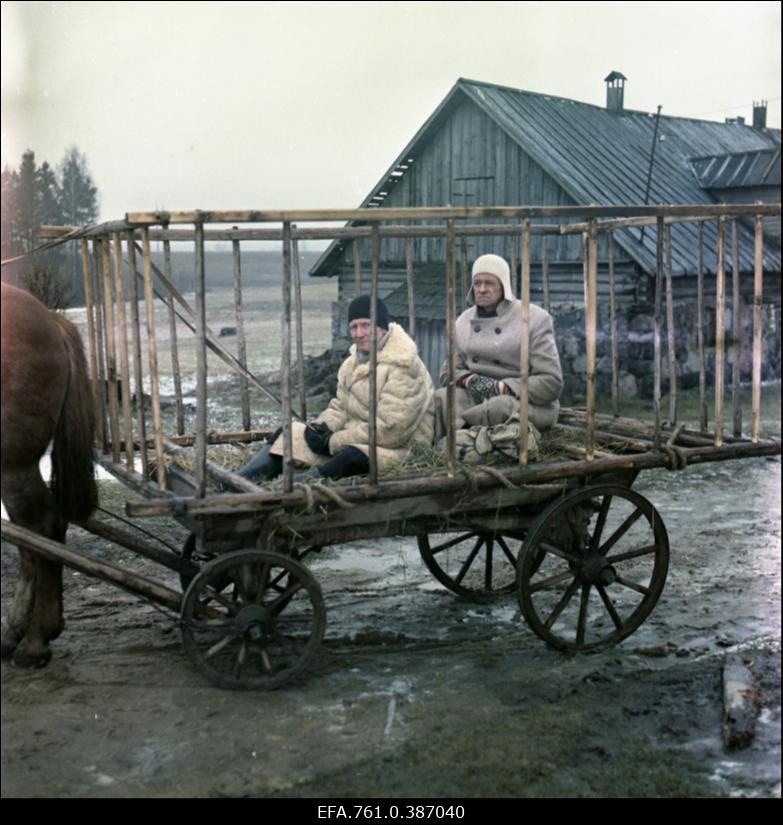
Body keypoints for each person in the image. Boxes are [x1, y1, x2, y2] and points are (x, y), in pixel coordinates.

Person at [237, 295, 435, 484]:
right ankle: (241, 481)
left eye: (366, 325)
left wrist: (333, 441)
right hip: (355, 438)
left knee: (352, 458)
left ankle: (295, 489)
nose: (359, 334)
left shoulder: (405, 366)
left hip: (401, 448)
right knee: (290, 434)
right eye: (354, 327)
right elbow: (340, 407)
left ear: (381, 327)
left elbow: (391, 430)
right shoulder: (352, 364)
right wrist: (321, 428)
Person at [434, 253, 563, 442]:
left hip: (524, 401)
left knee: (498, 407)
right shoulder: (463, 322)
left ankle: (467, 441)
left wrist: (503, 387)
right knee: (442, 398)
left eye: (489, 283)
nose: (482, 289)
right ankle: (445, 451)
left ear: (504, 286)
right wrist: (470, 380)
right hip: (477, 396)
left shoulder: (533, 319)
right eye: (477, 283)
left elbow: (552, 382)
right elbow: (448, 371)